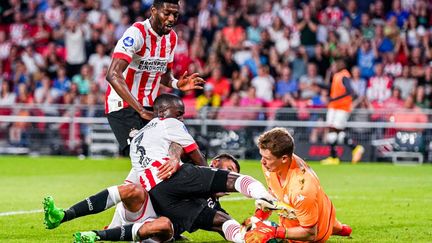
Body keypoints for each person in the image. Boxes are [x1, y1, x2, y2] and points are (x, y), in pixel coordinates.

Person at [44, 94, 274, 243]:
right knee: (232, 182)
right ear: (164, 112)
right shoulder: (170, 124)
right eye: (179, 112)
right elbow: (193, 153)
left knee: (177, 222)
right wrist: (210, 179)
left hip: (157, 199)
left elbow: (135, 178)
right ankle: (267, 196)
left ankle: (247, 238)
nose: (182, 117)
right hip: (163, 187)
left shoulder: (139, 140)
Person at [105, 0, 204, 156]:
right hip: (124, 105)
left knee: (176, 153)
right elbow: (113, 74)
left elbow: (164, 74)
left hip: (151, 107)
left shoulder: (171, 38)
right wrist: (140, 110)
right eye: (167, 13)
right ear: (153, 11)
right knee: (143, 154)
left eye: (175, 15)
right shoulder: (137, 33)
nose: (171, 19)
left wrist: (177, 83)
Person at [244, 127, 352, 243]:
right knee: (332, 223)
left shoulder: (301, 188)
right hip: (317, 206)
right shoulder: (272, 164)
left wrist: (274, 231)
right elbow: (274, 192)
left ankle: (336, 227)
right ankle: (342, 229)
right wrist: (258, 217)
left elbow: (310, 234)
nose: (262, 162)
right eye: (262, 156)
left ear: (284, 158)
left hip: (314, 233)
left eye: (267, 158)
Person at [320, 59, 364, 165]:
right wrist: (318, 85)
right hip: (335, 107)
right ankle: (350, 150)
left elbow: (351, 92)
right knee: (336, 132)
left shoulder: (344, 75)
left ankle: (336, 156)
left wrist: (333, 100)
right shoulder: (337, 76)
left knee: (333, 130)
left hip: (341, 108)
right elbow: (334, 89)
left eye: (334, 65)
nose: (332, 67)